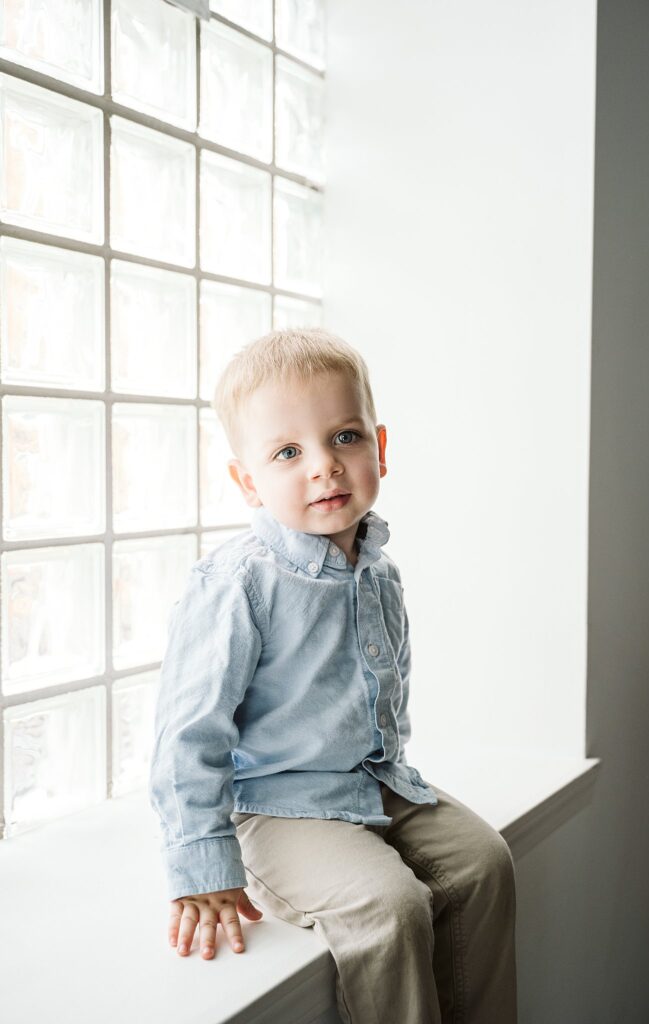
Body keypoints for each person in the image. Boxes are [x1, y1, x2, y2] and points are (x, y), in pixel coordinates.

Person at [148, 326, 518, 1023]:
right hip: (274, 804)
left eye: (344, 437)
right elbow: (186, 733)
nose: (324, 465)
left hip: (369, 778)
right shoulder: (238, 584)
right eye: (288, 452)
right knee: (389, 905)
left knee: (483, 861)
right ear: (247, 481)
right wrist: (202, 867)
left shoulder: (377, 570)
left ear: (379, 447)